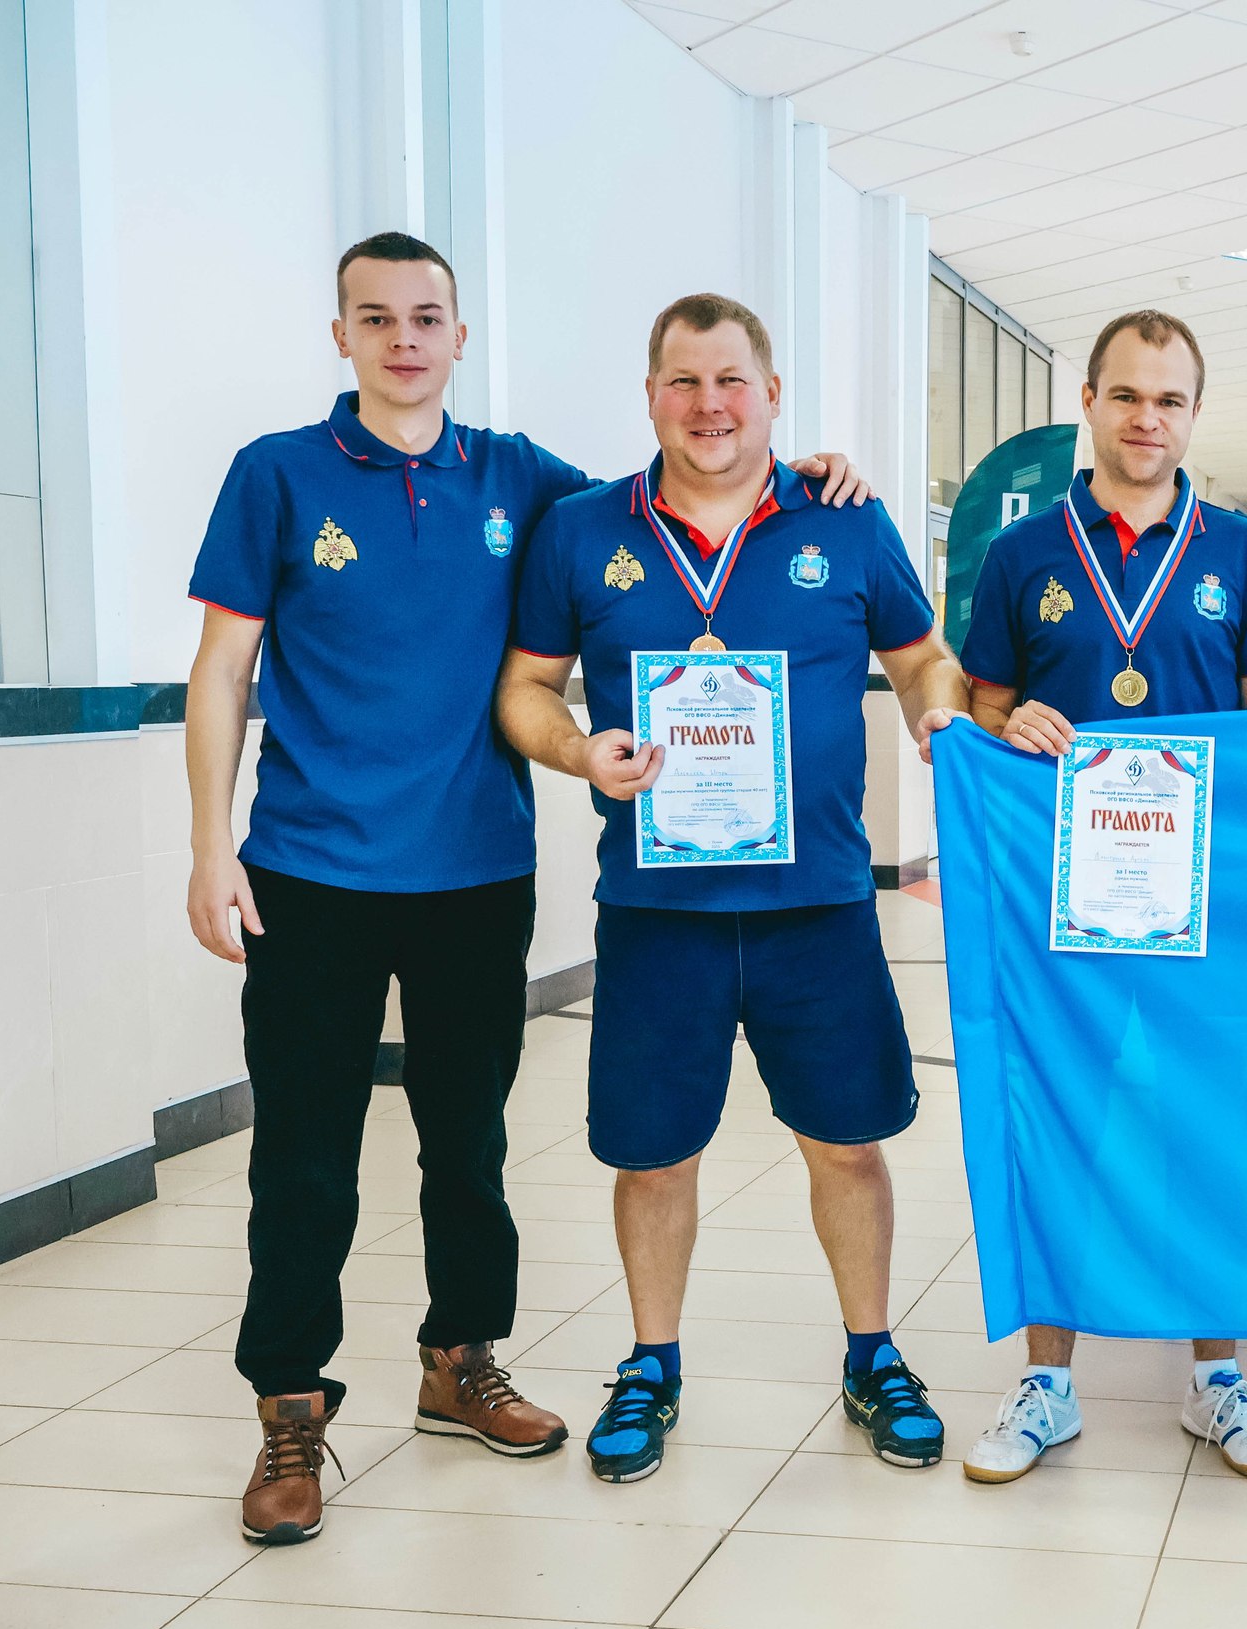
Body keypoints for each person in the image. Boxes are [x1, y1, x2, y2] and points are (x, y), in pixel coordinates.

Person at [185, 235, 869, 1546]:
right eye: (376, 317)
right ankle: (289, 1404)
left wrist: (812, 473)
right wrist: (210, 845)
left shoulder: (523, 480)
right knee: (305, 1156)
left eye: (425, 316)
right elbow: (221, 670)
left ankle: (461, 1360)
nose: (403, 339)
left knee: (471, 1145)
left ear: (459, 333)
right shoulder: (275, 474)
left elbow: (678, 489)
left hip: (477, 873)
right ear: (342, 335)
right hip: (309, 872)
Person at [497, 293, 968, 1483]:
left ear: (771, 395)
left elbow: (922, 656)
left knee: (847, 1145)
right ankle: (651, 1362)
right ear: (650, 395)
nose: (708, 405)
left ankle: (872, 1353)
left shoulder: (843, 521)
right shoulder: (581, 531)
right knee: (652, 1155)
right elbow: (524, 687)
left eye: (730, 381)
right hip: (659, 915)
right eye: (683, 381)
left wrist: (939, 719)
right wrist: (577, 752)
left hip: (819, 906)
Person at [958, 309, 1247, 1485]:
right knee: (1063, 1122)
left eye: (1169, 400)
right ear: (1089, 404)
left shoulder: (1242, 552)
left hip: (1209, 909)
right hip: (1068, 906)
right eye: (1126, 395)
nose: (1146, 419)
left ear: (1193, 414)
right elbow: (981, 716)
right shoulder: (1022, 554)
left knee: (1211, 1127)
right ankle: (1047, 1383)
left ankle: (1216, 1376)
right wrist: (1010, 722)